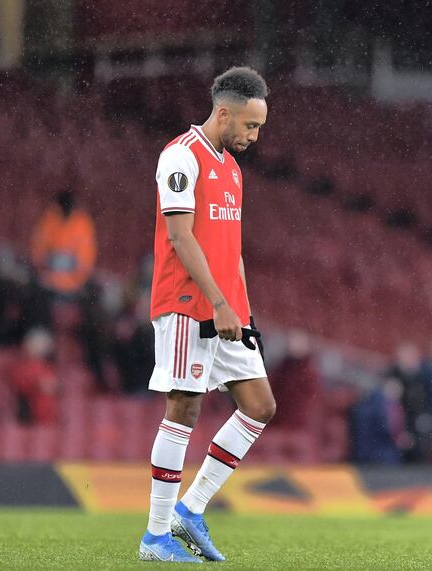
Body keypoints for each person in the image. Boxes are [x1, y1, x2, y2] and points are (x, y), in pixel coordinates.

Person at [139, 67, 273, 564]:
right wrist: (217, 303)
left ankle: (190, 511)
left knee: (259, 406)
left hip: (225, 310)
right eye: (250, 126)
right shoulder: (180, 156)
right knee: (184, 410)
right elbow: (179, 237)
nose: (254, 137)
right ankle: (155, 537)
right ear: (224, 113)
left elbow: (231, 249)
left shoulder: (232, 169)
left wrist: (239, 307)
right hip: (186, 305)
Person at [31, 189, 97, 296]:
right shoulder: (50, 217)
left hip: (71, 287)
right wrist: (43, 268)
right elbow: (39, 246)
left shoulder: (83, 223)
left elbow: (86, 256)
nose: (66, 208)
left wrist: (76, 276)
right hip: (47, 281)